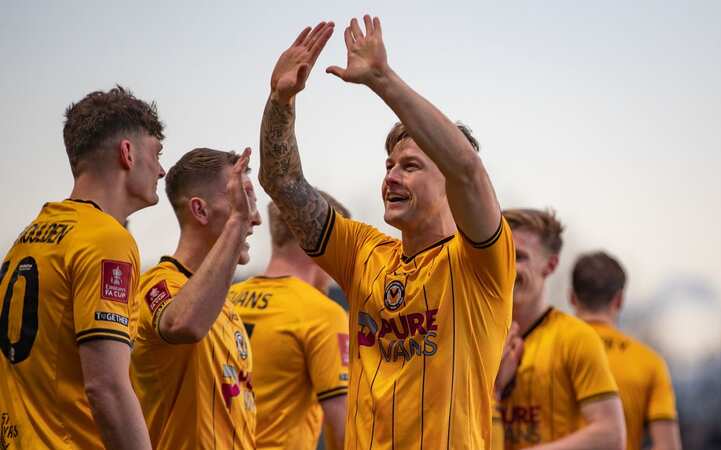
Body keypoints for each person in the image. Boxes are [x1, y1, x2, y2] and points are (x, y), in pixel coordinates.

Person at [258, 17, 515, 450]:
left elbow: (469, 170)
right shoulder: (363, 252)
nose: (392, 177)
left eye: (410, 166)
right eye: (389, 166)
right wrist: (280, 101)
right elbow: (282, 184)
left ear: (448, 182)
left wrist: (382, 80)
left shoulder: (480, 262)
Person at [0, 86, 164, 449]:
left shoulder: (31, 236)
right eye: (157, 153)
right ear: (128, 153)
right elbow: (107, 386)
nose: (163, 170)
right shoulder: (106, 239)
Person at [130, 147, 261, 449]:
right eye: (241, 203)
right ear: (200, 210)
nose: (254, 219)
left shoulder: (225, 308)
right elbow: (183, 325)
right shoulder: (158, 284)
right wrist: (236, 223)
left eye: (250, 206)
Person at [493, 209, 625, 450]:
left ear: (551, 265)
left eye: (519, 257)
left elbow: (611, 435)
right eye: (501, 254)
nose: (507, 267)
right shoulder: (476, 336)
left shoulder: (576, 337)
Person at [227, 192, 350, 450]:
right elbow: (342, 429)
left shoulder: (224, 300)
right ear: (323, 244)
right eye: (341, 247)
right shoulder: (323, 313)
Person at [570, 251, 681, 450]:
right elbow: (668, 446)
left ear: (572, 297)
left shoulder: (546, 349)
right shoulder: (650, 362)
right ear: (619, 300)